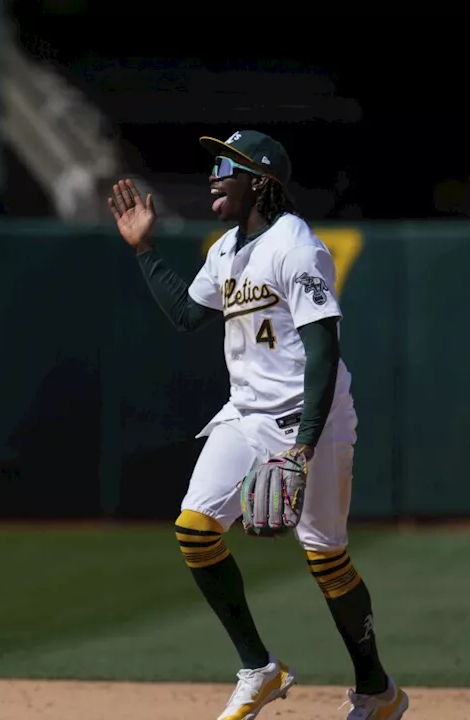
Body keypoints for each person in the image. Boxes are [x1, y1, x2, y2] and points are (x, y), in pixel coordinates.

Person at [107, 130, 408, 720]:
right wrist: (144, 249)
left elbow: (323, 354)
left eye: (227, 165)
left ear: (261, 182)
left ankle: (378, 692)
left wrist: (304, 445)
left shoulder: (297, 247)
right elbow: (188, 315)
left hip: (307, 420)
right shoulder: (226, 250)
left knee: (326, 557)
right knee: (194, 529)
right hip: (244, 416)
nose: (213, 175)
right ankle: (260, 668)